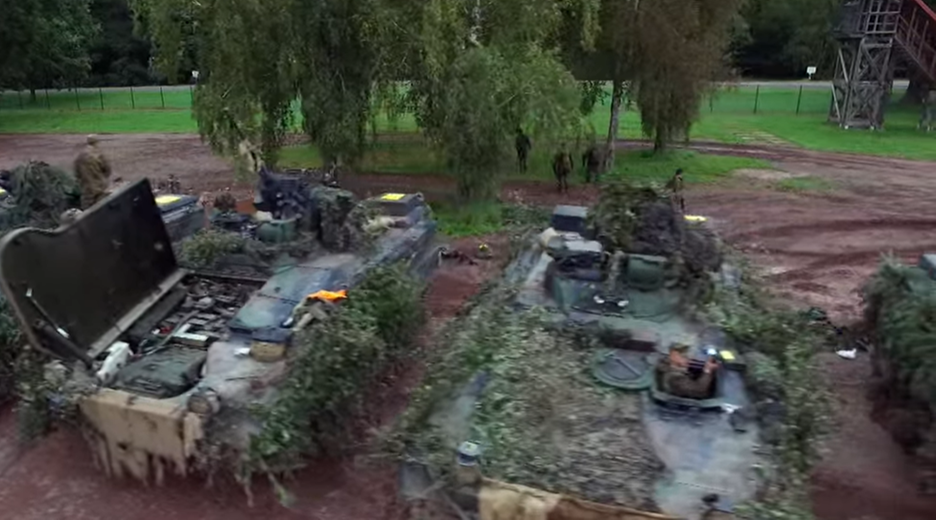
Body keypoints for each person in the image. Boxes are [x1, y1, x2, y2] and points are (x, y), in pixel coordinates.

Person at [73, 135, 113, 210]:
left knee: (87, 210)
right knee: (103, 208)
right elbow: (107, 169)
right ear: (96, 142)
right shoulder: (99, 154)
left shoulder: (79, 156)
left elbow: (76, 172)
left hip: (86, 188)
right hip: (100, 187)